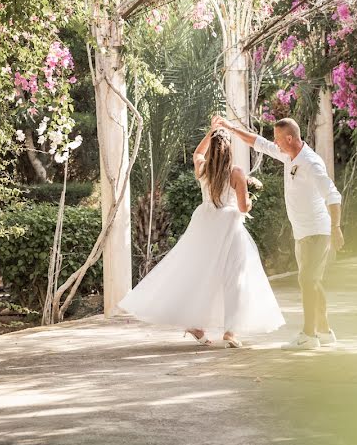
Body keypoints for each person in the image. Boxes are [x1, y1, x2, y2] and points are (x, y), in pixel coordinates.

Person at [118, 116, 284, 348]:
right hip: (228, 225)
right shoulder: (236, 173)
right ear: (229, 151)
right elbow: (244, 207)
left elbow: (198, 153)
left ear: (213, 150)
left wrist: (212, 132)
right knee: (233, 278)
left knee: (201, 273)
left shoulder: (203, 169)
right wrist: (250, 199)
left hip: (205, 223)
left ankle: (195, 324)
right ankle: (229, 332)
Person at [214, 116, 343, 351]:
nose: (275, 143)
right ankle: (325, 331)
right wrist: (232, 128)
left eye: (278, 139)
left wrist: (336, 228)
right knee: (312, 281)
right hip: (302, 232)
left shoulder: (311, 163)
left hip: (317, 231)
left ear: (290, 138)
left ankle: (309, 335)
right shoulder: (288, 154)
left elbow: (333, 195)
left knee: (307, 280)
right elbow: (259, 142)